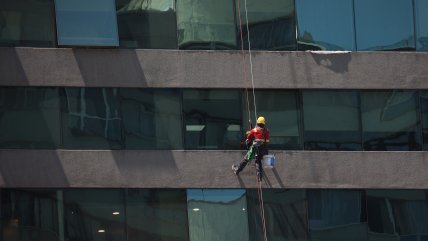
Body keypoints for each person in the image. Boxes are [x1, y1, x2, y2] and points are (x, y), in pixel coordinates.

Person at [232, 116, 270, 181]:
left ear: (257, 123)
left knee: (246, 158)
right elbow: (267, 141)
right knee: (258, 161)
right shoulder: (266, 131)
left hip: (255, 148)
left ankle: (238, 170)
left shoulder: (254, 130)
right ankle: (259, 176)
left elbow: (249, 138)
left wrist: (250, 136)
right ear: (264, 123)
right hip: (263, 149)